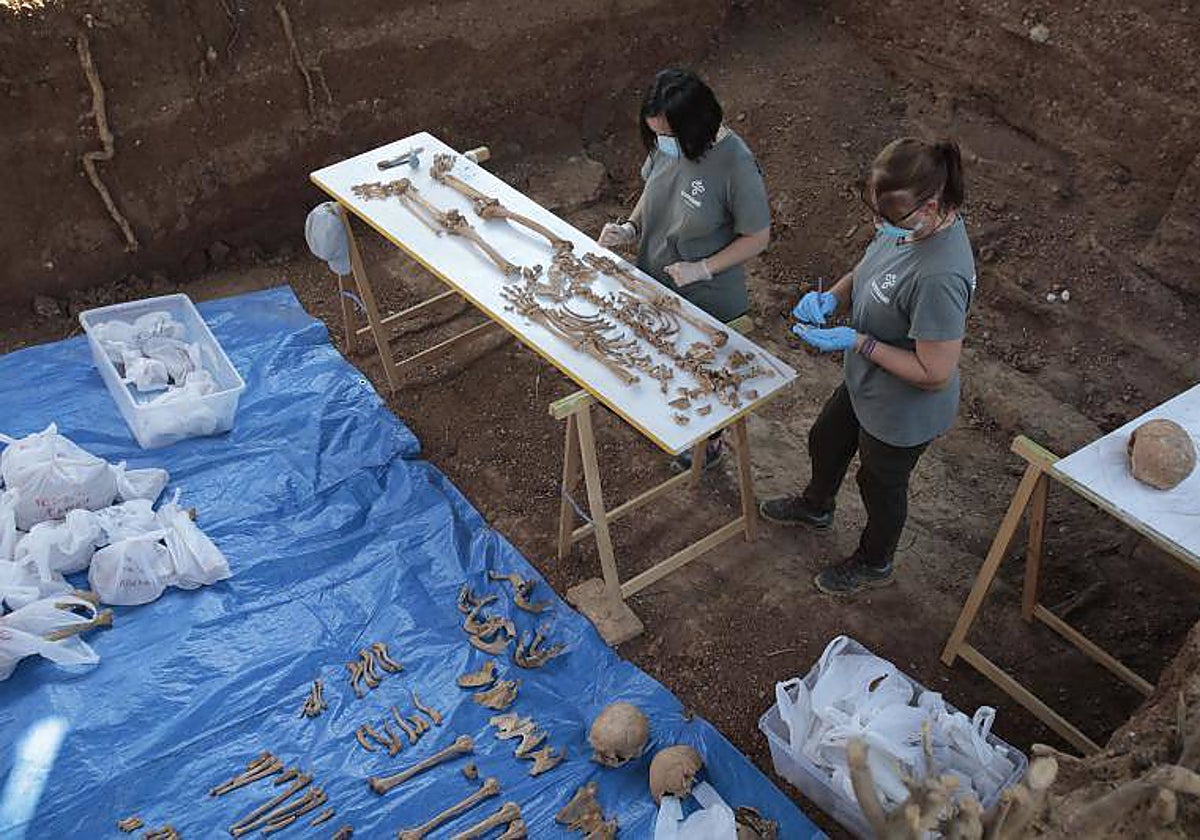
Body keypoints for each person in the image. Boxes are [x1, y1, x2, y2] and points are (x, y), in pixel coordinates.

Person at [760, 137, 976, 595]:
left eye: (887, 219)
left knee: (880, 483)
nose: (878, 226)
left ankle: (874, 560)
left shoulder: (941, 275)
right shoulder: (908, 225)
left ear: (931, 207)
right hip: (868, 384)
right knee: (826, 438)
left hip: (903, 410)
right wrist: (833, 296)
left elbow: (936, 371)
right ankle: (816, 506)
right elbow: (869, 266)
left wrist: (859, 341)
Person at [599, 68, 771, 472]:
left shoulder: (736, 166)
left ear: (696, 127)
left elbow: (758, 236)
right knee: (661, 358)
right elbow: (654, 187)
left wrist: (703, 269)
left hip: (706, 295)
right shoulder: (667, 144)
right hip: (656, 274)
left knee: (700, 374)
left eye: (668, 136)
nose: (662, 144)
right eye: (655, 134)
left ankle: (708, 446)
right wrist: (631, 226)